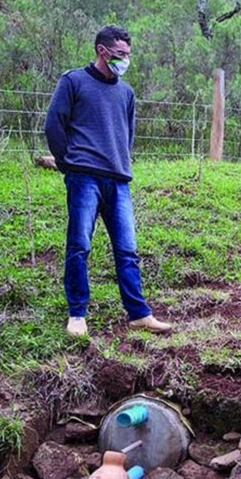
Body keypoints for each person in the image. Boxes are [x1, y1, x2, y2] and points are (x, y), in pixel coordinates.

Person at [45, 25, 172, 337]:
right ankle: (77, 315)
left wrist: (119, 161)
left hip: (118, 181)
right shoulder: (73, 81)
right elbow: (53, 125)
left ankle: (139, 314)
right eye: (120, 54)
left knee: (127, 249)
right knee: (79, 246)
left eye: (128, 54)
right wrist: (67, 164)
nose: (125, 59)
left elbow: (127, 134)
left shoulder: (126, 93)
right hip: (84, 177)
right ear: (102, 51)